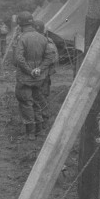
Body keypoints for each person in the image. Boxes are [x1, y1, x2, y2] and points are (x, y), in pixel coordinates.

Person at [14, 12, 55, 140]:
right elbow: (49, 57)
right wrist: (39, 69)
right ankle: (40, 130)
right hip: (39, 78)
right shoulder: (43, 38)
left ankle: (30, 133)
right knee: (37, 102)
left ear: (21, 24)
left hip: (25, 78)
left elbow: (19, 59)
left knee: (26, 103)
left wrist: (29, 70)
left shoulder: (22, 38)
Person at [33, 20, 59, 129]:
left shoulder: (43, 42)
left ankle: (42, 123)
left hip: (41, 76)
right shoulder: (47, 41)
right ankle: (41, 122)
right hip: (42, 75)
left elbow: (52, 59)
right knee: (40, 98)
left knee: (39, 98)